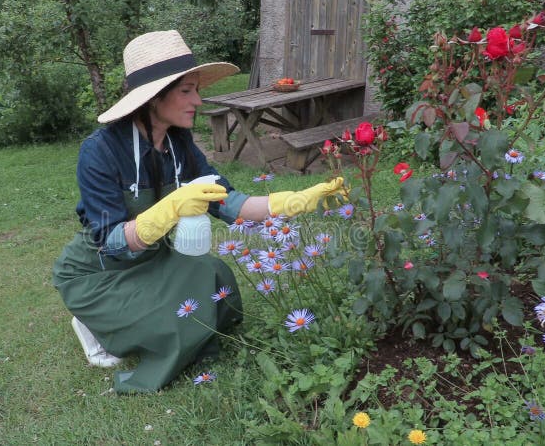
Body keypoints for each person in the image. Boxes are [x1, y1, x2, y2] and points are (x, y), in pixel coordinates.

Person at [52, 30, 344, 393]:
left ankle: (133, 313)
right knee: (174, 327)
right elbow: (112, 241)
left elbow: (228, 202)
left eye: (196, 90)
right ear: (154, 98)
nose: (199, 101)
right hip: (97, 272)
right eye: (187, 91)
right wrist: (170, 208)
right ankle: (92, 320)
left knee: (215, 278)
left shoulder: (179, 142)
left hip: (151, 259)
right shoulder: (100, 151)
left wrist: (299, 200)